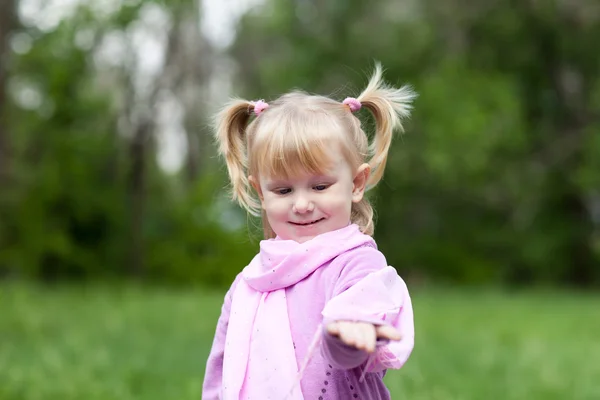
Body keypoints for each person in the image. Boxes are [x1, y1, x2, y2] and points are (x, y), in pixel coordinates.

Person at [202, 63, 416, 400]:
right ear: (261, 193)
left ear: (356, 183)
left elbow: (355, 329)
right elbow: (222, 365)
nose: (302, 204)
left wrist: (349, 330)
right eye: (284, 191)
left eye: (319, 186)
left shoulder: (355, 263)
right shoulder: (250, 281)